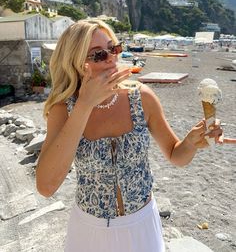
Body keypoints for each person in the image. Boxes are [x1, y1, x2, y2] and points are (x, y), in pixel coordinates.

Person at [36, 18, 223, 252]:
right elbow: (46, 186)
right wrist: (85, 104)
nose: (112, 57)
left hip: (142, 226)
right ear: (75, 62)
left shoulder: (141, 97)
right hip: (89, 231)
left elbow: (176, 155)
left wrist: (192, 142)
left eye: (114, 48)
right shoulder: (63, 110)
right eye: (99, 54)